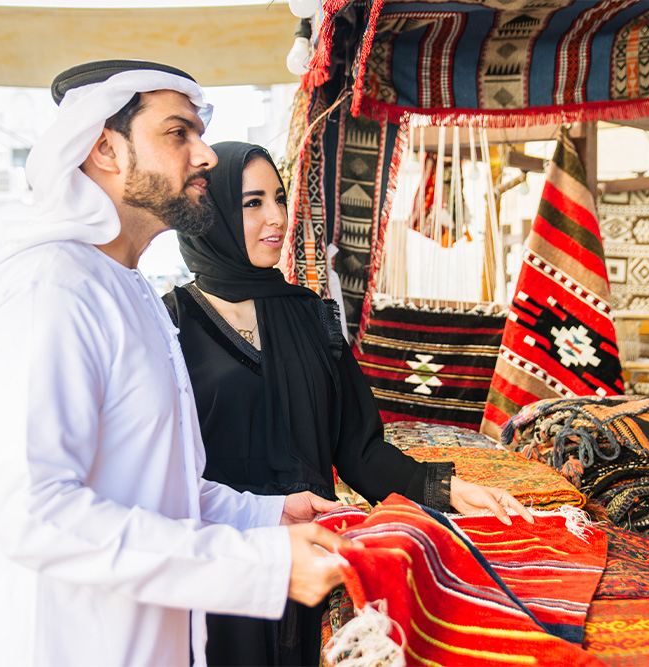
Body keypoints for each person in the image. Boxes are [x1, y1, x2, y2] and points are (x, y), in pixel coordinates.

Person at [0, 62, 357, 667]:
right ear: (105, 148)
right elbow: (37, 513)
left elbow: (149, 482)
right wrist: (257, 564)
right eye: (178, 134)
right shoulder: (50, 289)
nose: (205, 155)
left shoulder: (125, 288)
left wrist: (264, 514)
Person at [164, 141, 534, 666]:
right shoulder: (170, 325)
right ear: (212, 212)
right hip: (221, 569)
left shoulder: (311, 317)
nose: (276, 218)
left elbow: (358, 449)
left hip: (312, 562)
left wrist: (449, 490)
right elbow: (165, 470)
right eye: (252, 203)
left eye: (280, 197)